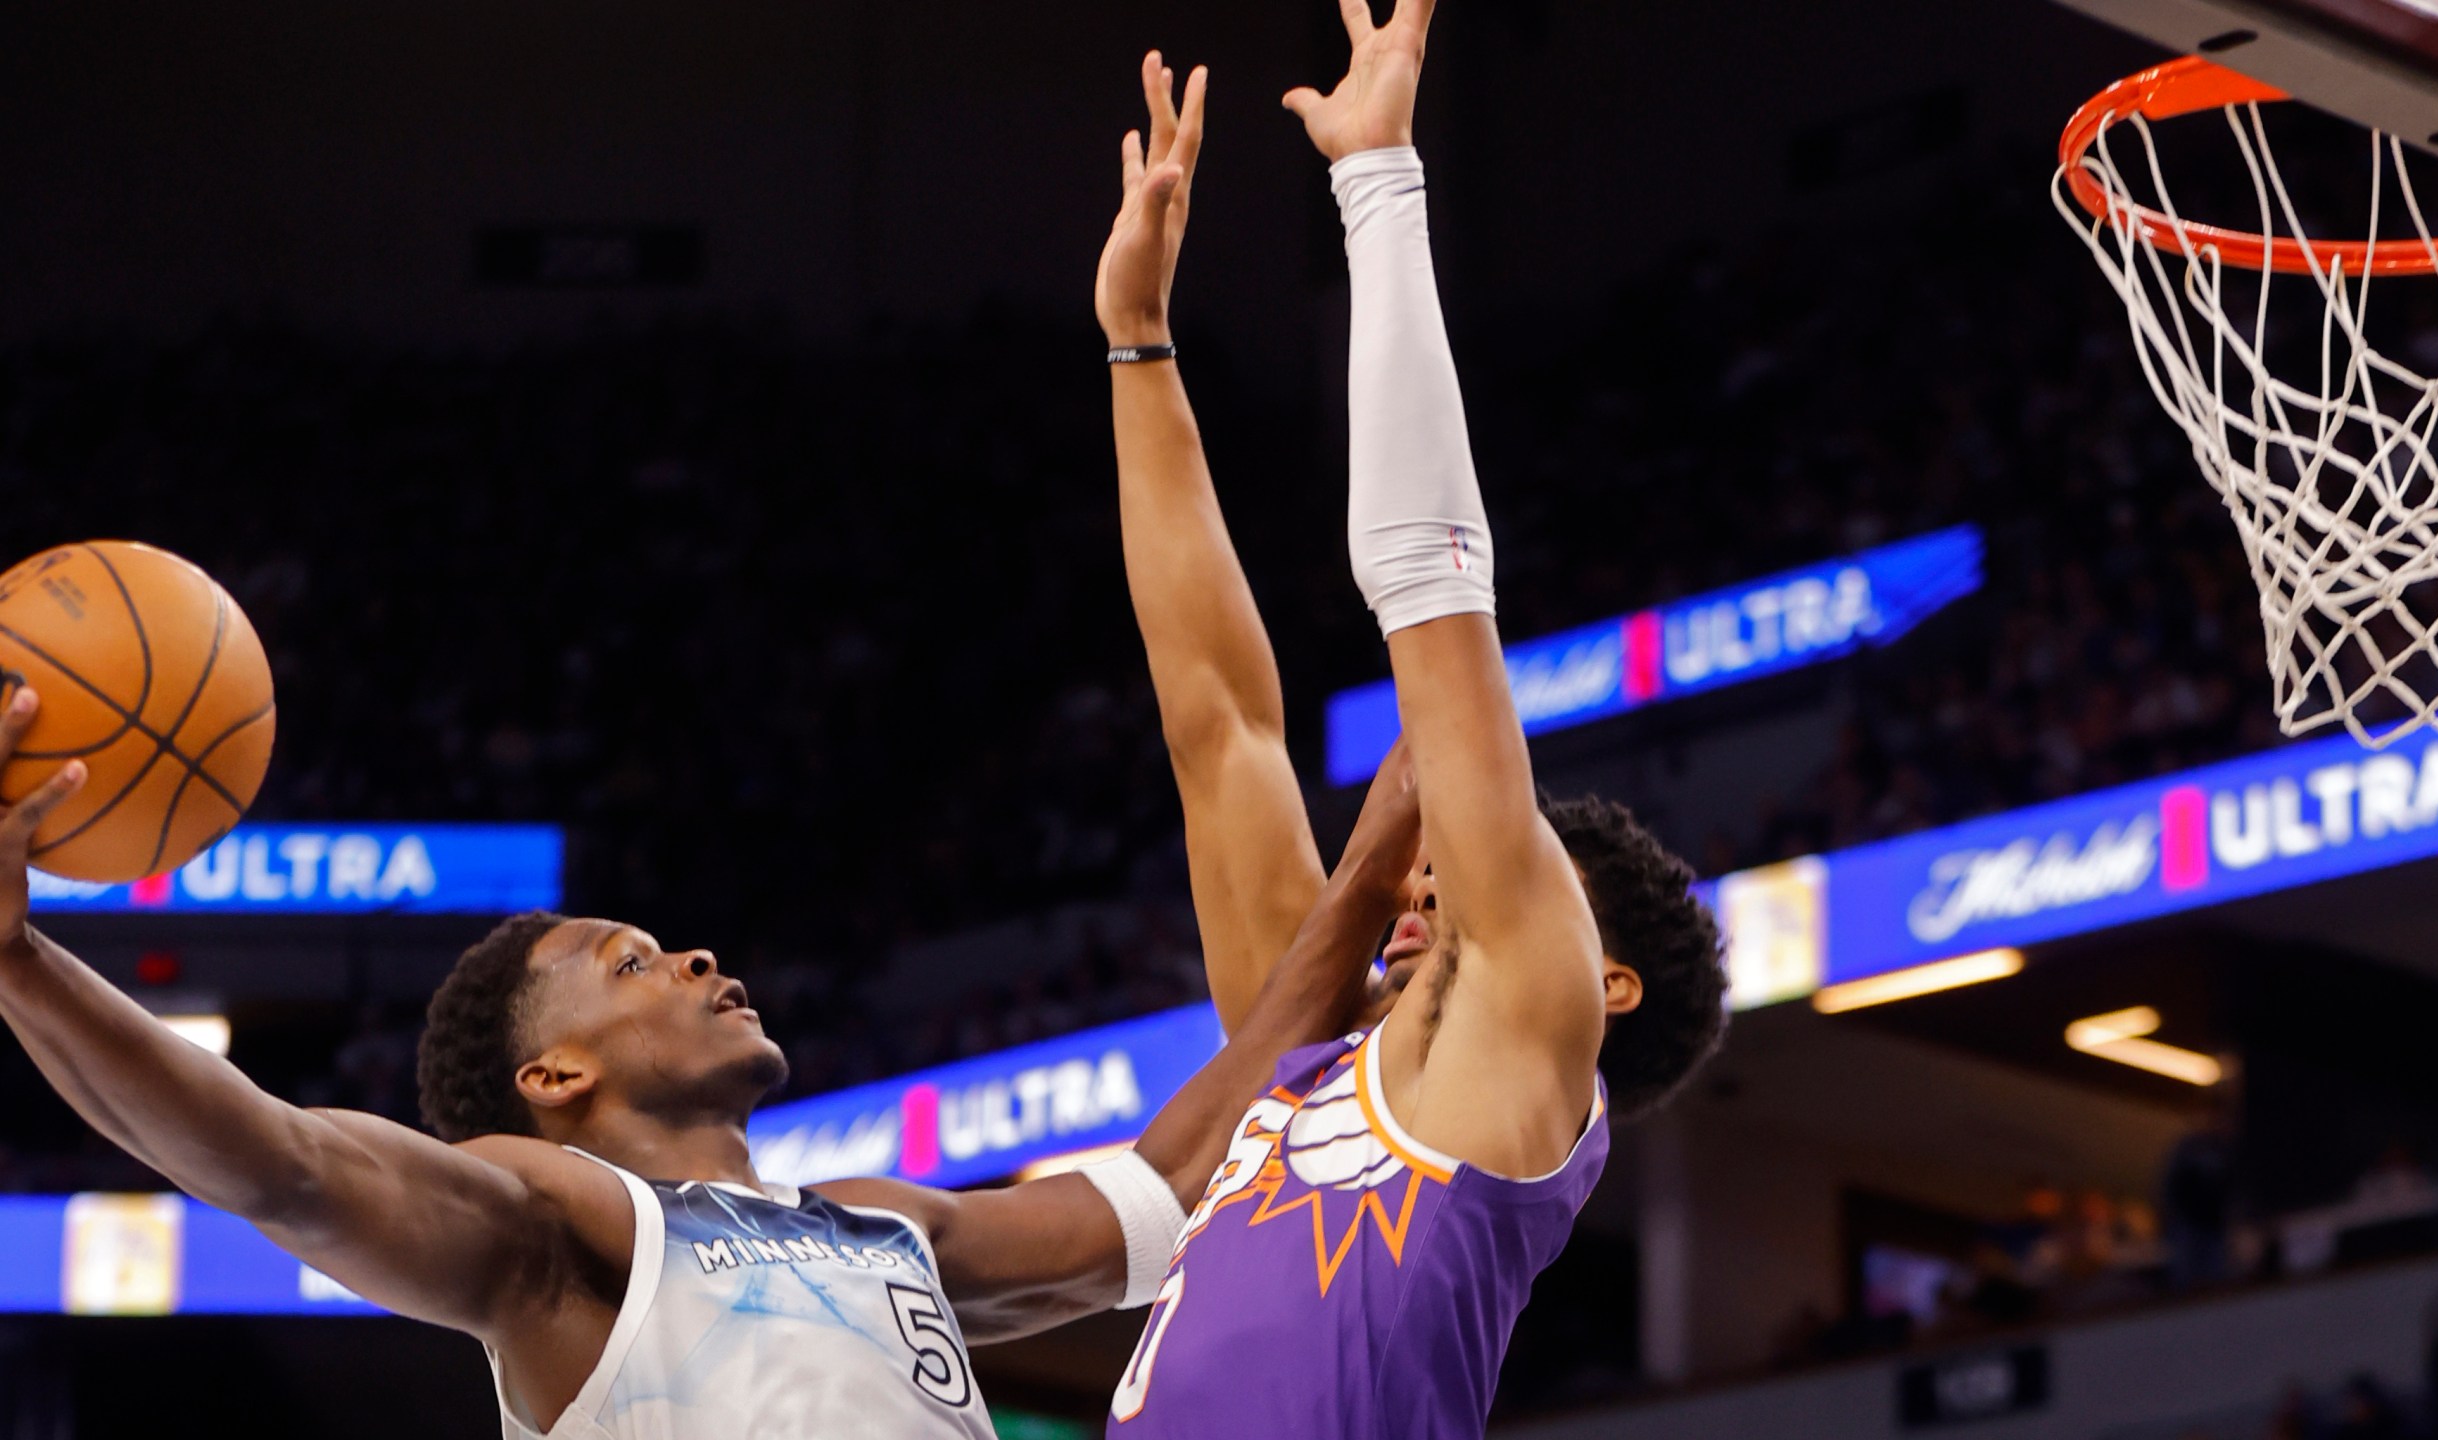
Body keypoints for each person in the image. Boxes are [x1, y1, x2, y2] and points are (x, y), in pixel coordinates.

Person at [0, 683, 1422, 1440]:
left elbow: (1180, 1178)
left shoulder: (884, 1224)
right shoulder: (558, 1226)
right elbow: (288, 1168)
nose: (691, 959)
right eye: (628, 961)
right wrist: (21, 965)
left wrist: (1368, 874)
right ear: (554, 1079)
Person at [1091, 6, 1728, 1434]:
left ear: (1599, 976)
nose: (1421, 873)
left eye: (1473, 868)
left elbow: (1433, 589)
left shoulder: (1526, 1044)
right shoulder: (1300, 1051)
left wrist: (1378, 185)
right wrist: (1138, 345)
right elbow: (1221, 728)